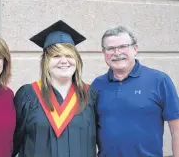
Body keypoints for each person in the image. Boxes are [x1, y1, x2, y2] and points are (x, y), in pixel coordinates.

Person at [12, 20, 97, 157]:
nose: (64, 61)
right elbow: (11, 143)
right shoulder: (28, 95)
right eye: (56, 56)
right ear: (46, 61)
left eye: (69, 55)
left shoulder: (90, 95)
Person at [92, 26, 179, 157]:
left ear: (135, 49)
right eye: (110, 48)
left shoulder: (159, 80)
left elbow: (176, 127)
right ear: (104, 53)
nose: (117, 53)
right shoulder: (97, 85)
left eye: (123, 46)